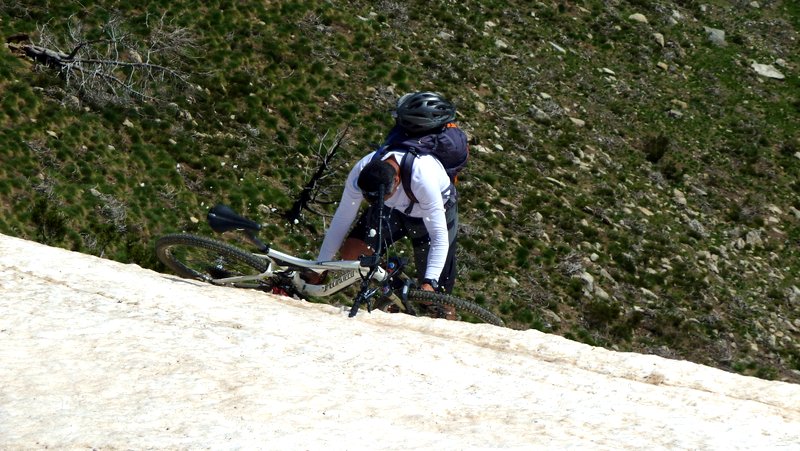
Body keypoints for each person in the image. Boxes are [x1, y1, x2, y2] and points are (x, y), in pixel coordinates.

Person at [315, 92, 463, 296]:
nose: (373, 202)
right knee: (352, 253)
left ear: (396, 181)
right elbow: (343, 218)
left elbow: (439, 236)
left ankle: (441, 315)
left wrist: (430, 281)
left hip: (429, 213)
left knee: (435, 298)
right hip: (394, 211)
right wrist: (320, 266)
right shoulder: (362, 170)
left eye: (379, 198)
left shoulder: (422, 177)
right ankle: (393, 289)